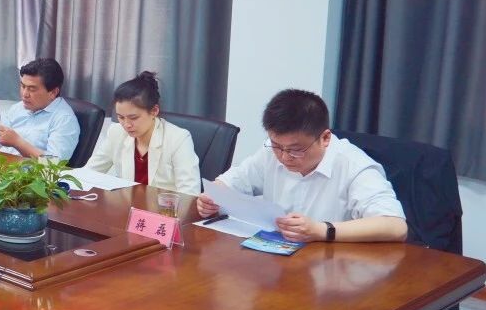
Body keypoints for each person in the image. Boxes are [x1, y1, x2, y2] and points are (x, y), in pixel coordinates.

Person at [196, 89, 407, 243]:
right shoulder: (271, 152)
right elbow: (230, 182)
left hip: (333, 268)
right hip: (277, 262)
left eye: (296, 150)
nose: (284, 157)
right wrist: (211, 200)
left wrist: (321, 230)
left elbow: (395, 226)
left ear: (325, 138)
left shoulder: (354, 166)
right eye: (277, 146)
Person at [84, 71, 201, 193]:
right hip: (126, 203)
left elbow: (190, 193)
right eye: (121, 117)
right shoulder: (116, 132)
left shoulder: (178, 138)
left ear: (154, 111)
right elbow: (89, 172)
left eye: (133, 118)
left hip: (163, 205)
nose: (126, 125)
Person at [0, 58, 81, 162]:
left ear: (53, 92)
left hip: (28, 171)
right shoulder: (18, 108)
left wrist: (18, 143)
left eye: (32, 89)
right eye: (23, 86)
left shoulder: (64, 119)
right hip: (1, 167)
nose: (24, 94)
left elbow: (55, 163)